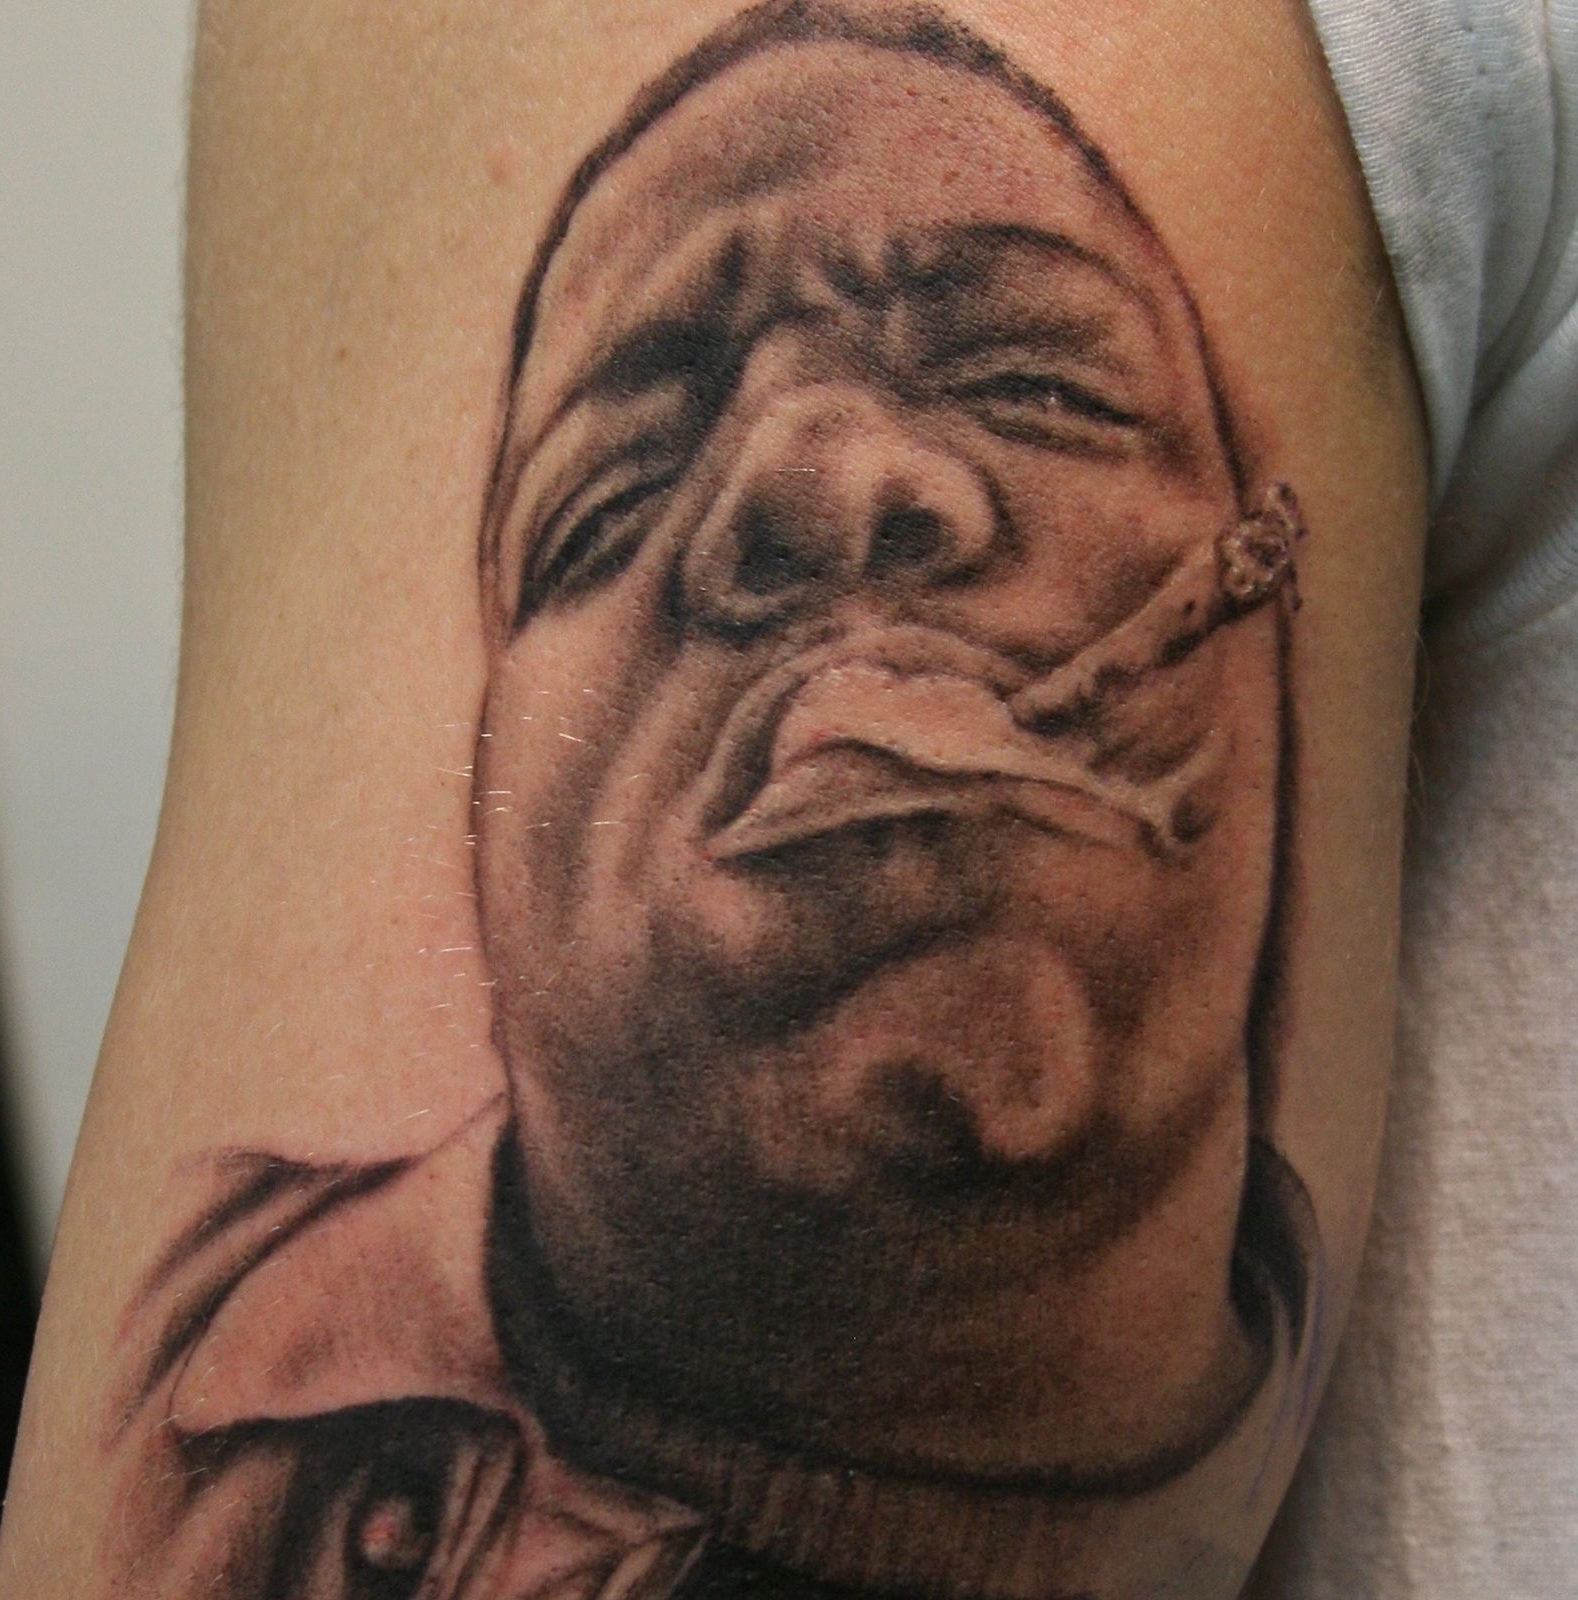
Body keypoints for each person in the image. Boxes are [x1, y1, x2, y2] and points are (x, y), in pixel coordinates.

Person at [101, 12, 1321, 1597]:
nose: (822, 473)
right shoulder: (189, 1366)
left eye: (1032, 380)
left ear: (1276, 599)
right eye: (608, 499)